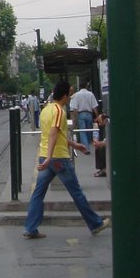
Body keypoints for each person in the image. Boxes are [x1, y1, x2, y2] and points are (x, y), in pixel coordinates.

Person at [23, 80, 110, 239]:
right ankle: (95, 223)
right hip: (58, 157)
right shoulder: (59, 111)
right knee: (76, 192)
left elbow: (55, 135)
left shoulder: (45, 110)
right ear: (64, 96)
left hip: (46, 155)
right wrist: (50, 157)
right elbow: (53, 133)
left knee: (38, 193)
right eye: (69, 95)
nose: (70, 98)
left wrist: (75, 145)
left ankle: (30, 227)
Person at [70, 80, 100, 154]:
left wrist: (74, 118)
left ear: (79, 87)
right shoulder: (91, 94)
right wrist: (97, 116)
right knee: (89, 131)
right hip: (89, 114)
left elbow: (75, 108)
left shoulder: (76, 95)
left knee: (82, 131)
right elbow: (94, 107)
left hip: (81, 114)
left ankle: (86, 148)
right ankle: (87, 146)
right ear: (86, 86)